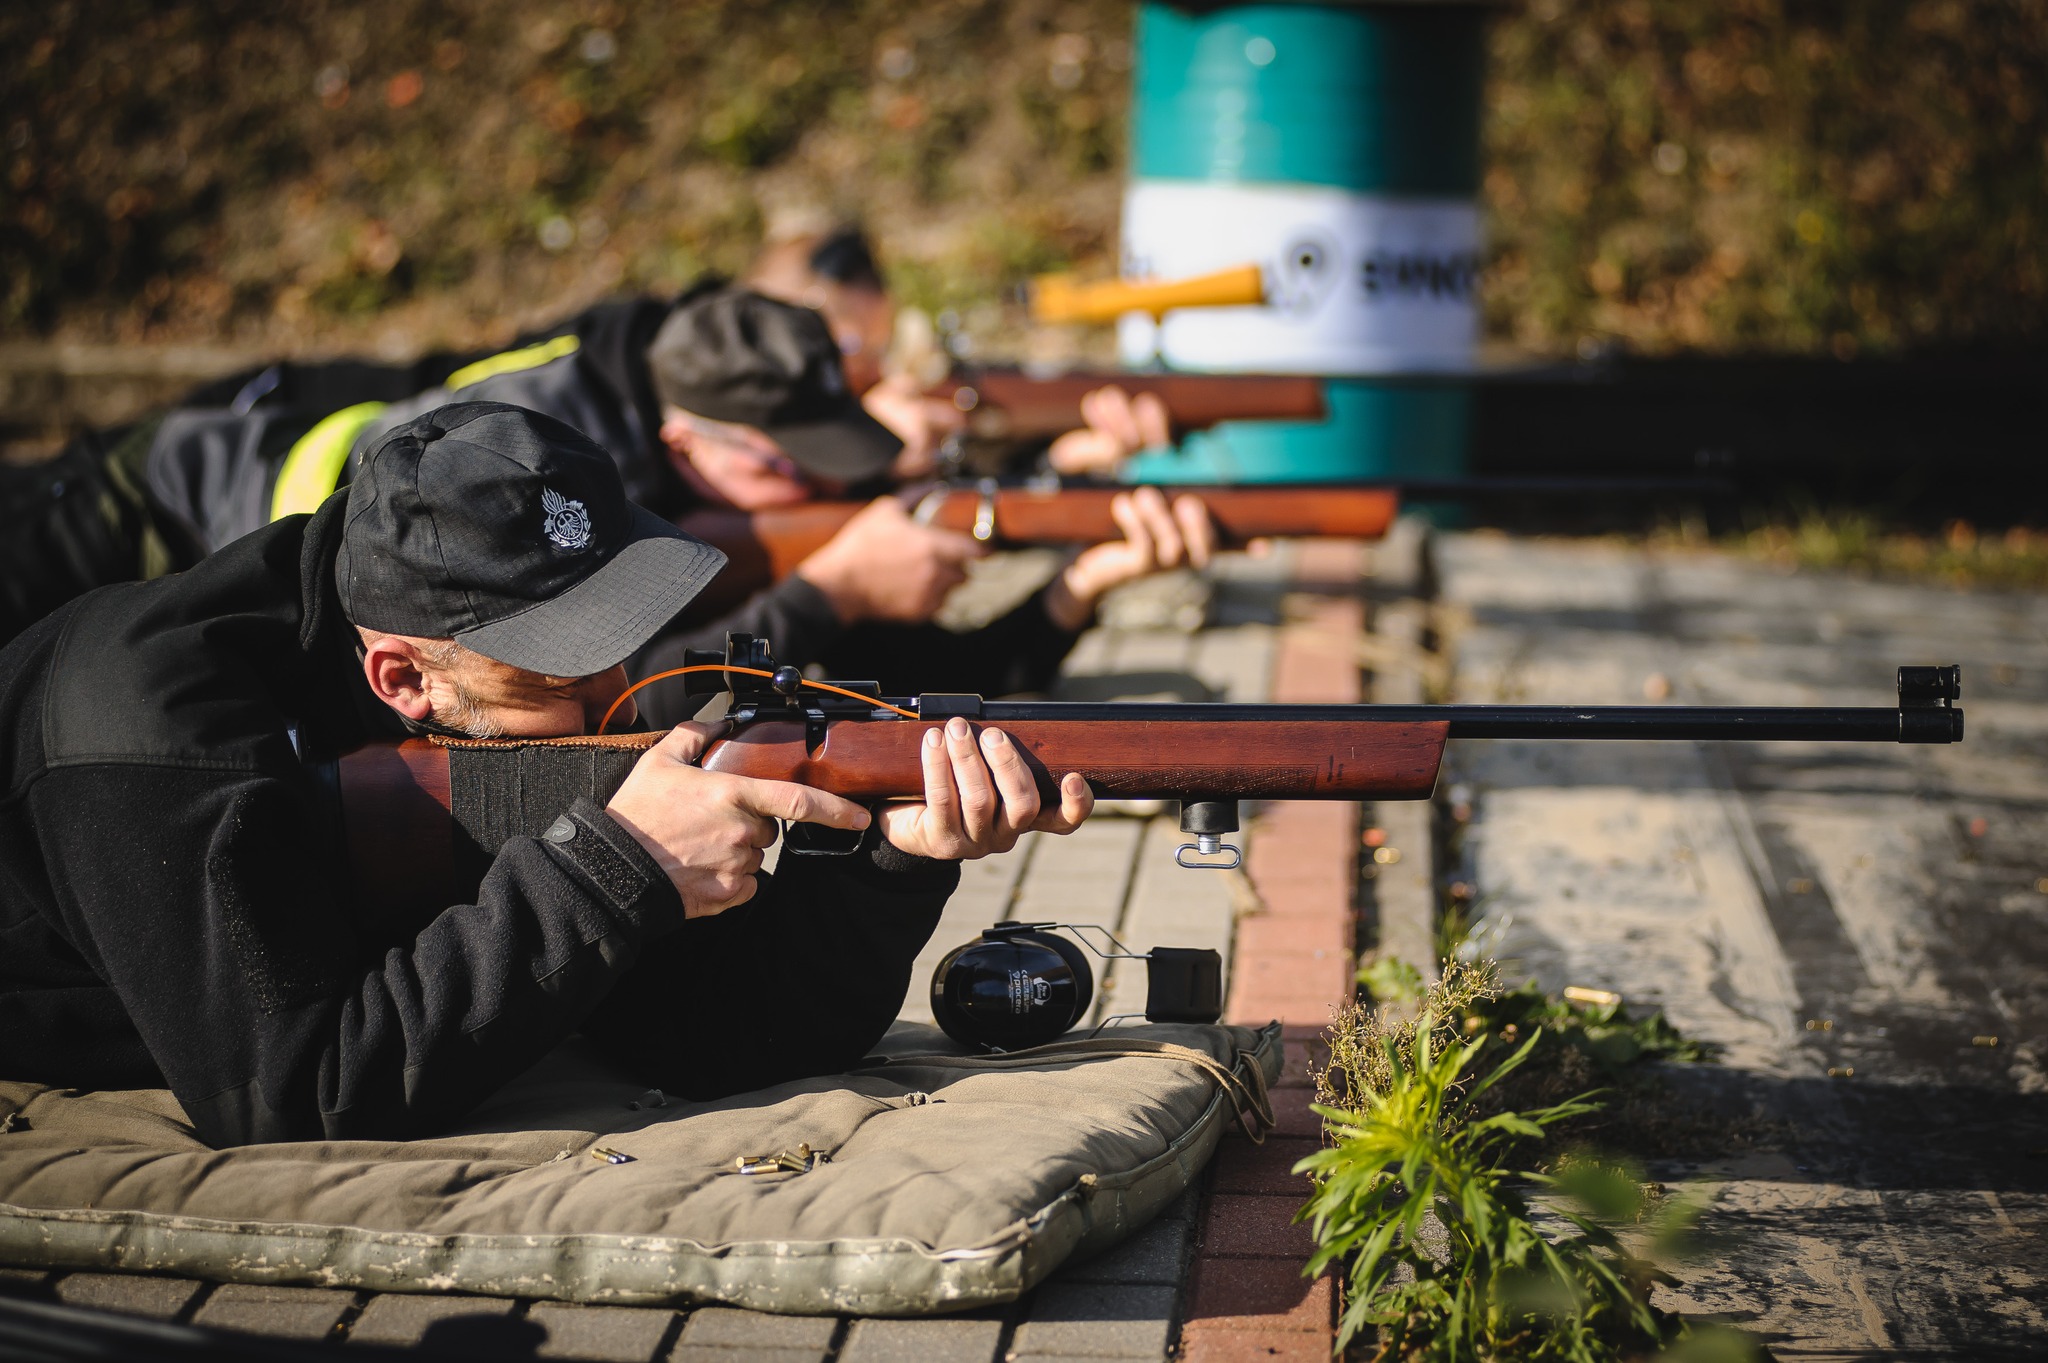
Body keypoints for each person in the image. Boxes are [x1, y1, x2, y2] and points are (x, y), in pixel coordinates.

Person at [0, 402, 1093, 1148]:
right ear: (401, 678)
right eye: (558, 664)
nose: (614, 691)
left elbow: (714, 1038)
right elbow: (296, 1098)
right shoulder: (144, 737)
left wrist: (883, 866)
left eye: (613, 632)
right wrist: (617, 866)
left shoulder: (481, 693)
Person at [743, 226, 1174, 479]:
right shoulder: (759, 446)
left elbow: (981, 481)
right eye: (853, 347)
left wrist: (1061, 458)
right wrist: (872, 445)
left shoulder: (913, 388)